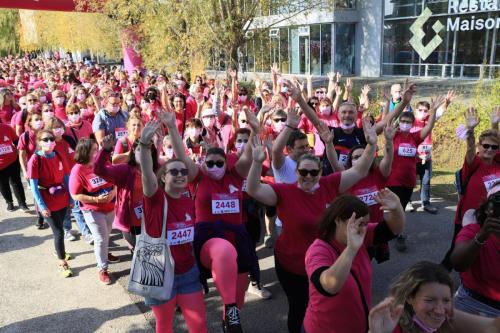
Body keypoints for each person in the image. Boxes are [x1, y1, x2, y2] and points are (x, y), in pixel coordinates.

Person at [246, 117, 378, 333]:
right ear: (296, 172)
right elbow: (253, 190)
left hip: (326, 261)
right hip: (293, 265)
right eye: (303, 172)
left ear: (320, 172)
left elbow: (360, 170)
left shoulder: (330, 184)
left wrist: (371, 145)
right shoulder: (285, 191)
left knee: (325, 308)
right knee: (299, 309)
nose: (308, 176)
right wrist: (256, 162)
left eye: (313, 172)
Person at [158, 106, 258, 333]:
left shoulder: (236, 174)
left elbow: (249, 154)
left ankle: (229, 316)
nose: (214, 167)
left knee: (237, 294)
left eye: (219, 163)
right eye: (210, 163)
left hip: (239, 240)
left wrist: (255, 128)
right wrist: (173, 127)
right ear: (204, 164)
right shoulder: (198, 177)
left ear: (227, 163)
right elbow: (183, 157)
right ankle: (230, 308)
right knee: (223, 251)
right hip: (209, 240)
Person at [137, 121, 207, 333]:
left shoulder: (188, 197)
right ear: (163, 177)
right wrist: (143, 144)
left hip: (188, 272)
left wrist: (174, 129)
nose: (180, 174)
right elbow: (147, 173)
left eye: (183, 172)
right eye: (173, 172)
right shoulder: (155, 198)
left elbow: (184, 156)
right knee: (165, 326)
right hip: (158, 272)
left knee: (199, 325)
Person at [302, 190, 404, 333]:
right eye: (359, 223)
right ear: (337, 220)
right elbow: (329, 286)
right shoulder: (318, 250)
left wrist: (396, 207)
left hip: (359, 325)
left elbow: (394, 229)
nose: (363, 228)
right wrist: (351, 249)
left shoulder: (362, 233)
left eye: (366, 223)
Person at [368, 261, 500, 333]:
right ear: (409, 297)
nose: (439, 310)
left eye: (446, 300)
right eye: (430, 300)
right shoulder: (393, 328)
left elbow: (493, 326)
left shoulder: (448, 318)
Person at [442, 108, 500, 270]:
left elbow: (497, 140)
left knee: (484, 247)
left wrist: (495, 124)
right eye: (485, 146)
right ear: (479, 146)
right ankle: (440, 273)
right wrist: (471, 130)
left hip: (491, 215)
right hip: (469, 216)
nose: (489, 149)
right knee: (458, 249)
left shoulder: (497, 164)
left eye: (493, 147)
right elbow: (469, 150)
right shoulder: (473, 164)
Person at [386, 95, 445, 252]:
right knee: (396, 208)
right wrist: (391, 103)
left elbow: (428, 128)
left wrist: (434, 111)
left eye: (408, 122)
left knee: (402, 207)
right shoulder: (393, 135)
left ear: (412, 124)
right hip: (393, 179)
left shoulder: (414, 137)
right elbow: (387, 121)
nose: (405, 124)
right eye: (403, 121)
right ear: (400, 123)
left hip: (409, 179)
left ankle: (394, 230)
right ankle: (397, 235)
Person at [69, 138, 119, 285]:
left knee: (106, 235)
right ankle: (102, 269)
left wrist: (114, 192)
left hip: (110, 206)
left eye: (98, 149)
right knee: (100, 238)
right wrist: (97, 200)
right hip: (92, 210)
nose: (97, 153)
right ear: (85, 152)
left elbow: (115, 180)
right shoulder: (78, 170)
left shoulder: (103, 163)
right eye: (94, 150)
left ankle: (104, 254)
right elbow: (75, 195)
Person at [94, 134, 154, 252]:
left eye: (147, 150)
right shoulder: (124, 170)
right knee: (138, 253)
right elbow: (98, 170)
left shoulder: (156, 168)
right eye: (139, 150)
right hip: (132, 222)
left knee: (151, 254)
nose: (143, 153)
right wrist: (105, 151)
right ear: (133, 151)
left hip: (152, 220)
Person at [27, 130, 73, 277]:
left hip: (62, 198)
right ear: (39, 142)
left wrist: (71, 198)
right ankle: (62, 261)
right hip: (47, 201)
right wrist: (42, 206)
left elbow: (66, 177)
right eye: (45, 139)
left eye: (51, 139)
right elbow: (34, 187)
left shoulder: (59, 155)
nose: (49, 142)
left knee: (59, 229)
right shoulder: (35, 159)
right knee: (58, 232)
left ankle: (59, 251)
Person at [450, 186, 500, 317]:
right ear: (488, 209)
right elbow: (458, 263)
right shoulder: (473, 231)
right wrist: (482, 236)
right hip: (474, 305)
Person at [0, 122, 28, 212]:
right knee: (3, 185)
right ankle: (9, 202)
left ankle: (22, 203)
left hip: (12, 160)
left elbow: (16, 140)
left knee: (16, 182)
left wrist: (18, 151)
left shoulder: (6, 127)